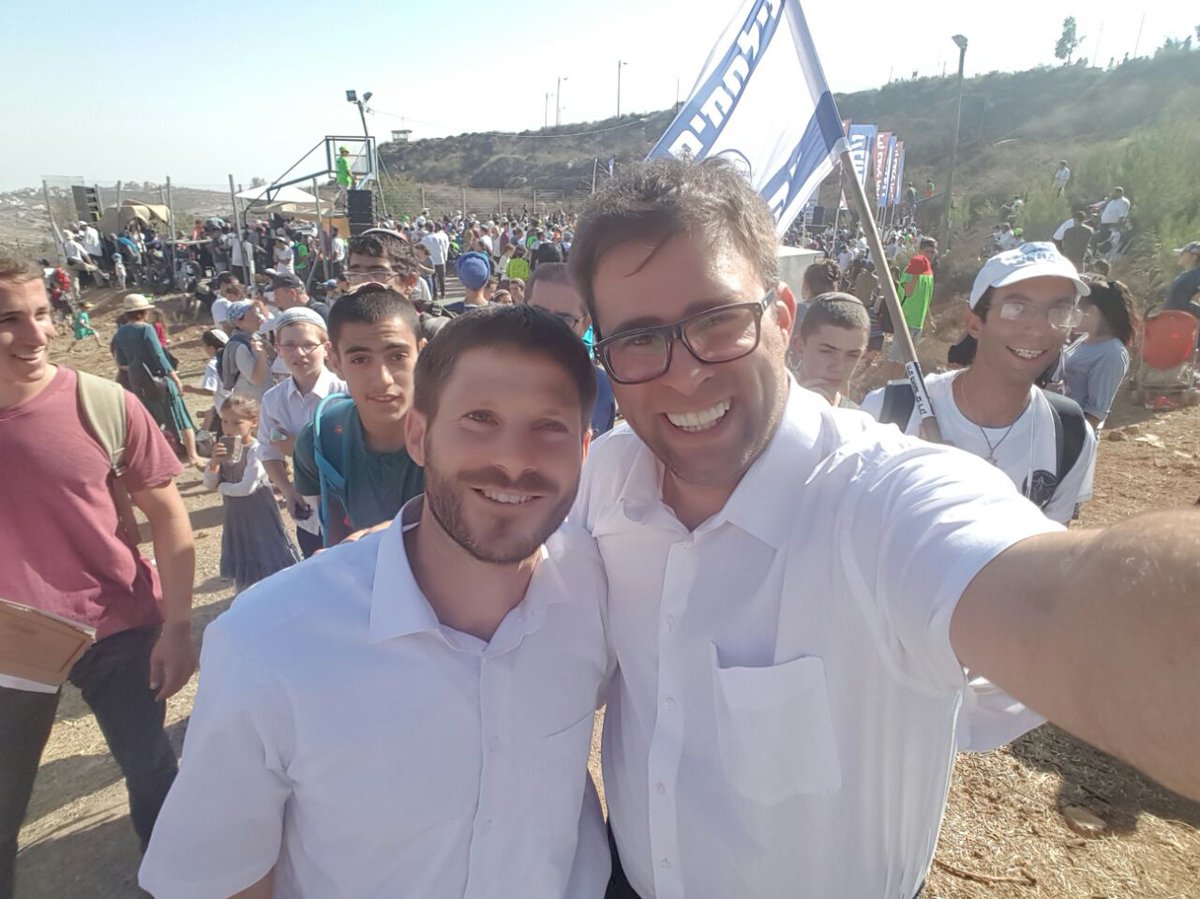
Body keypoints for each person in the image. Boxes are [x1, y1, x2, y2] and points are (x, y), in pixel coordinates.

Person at [567, 158, 1200, 899]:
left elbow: (1066, 604)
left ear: (780, 318)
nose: (683, 373)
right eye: (640, 339)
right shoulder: (609, 479)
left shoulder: (884, 502)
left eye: (717, 321)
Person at [140, 306, 612, 898]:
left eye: (549, 427)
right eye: (479, 418)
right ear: (418, 436)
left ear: (584, 450)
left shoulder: (598, 590)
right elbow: (220, 881)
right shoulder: (270, 642)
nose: (514, 459)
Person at [0, 252, 195, 898]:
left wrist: (177, 626)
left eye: (42, 313)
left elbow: (168, 516)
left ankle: (172, 883)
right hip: (12, 640)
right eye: (9, 319)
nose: (36, 333)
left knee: (152, 771)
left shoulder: (101, 403)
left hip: (116, 624)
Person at [864, 242, 1097, 524]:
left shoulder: (1070, 436)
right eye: (1017, 308)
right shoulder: (890, 414)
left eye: (1059, 312)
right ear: (974, 323)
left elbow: (1048, 541)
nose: (1038, 330)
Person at [293, 287, 426, 546]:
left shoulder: (460, 435)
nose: (383, 379)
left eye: (397, 356)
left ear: (422, 354)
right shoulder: (320, 440)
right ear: (335, 362)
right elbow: (332, 517)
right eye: (360, 360)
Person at [257, 307, 347, 558]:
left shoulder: (346, 391)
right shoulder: (273, 400)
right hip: (308, 514)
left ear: (326, 347)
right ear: (278, 348)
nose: (299, 353)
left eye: (308, 345)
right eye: (289, 345)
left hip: (349, 508)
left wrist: (299, 447)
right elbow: (267, 451)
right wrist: (288, 490)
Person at [203, 394, 301, 591]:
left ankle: (280, 589)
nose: (229, 428)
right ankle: (247, 591)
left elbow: (246, 487)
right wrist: (214, 463)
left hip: (257, 510)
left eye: (237, 423)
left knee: (267, 548)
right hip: (235, 514)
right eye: (225, 421)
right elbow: (208, 483)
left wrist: (221, 488)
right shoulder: (223, 449)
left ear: (253, 422)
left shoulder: (256, 450)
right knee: (243, 550)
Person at [112, 294, 204, 467]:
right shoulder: (146, 329)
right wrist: (175, 379)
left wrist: (138, 369)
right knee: (182, 419)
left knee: (151, 423)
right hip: (160, 382)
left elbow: (121, 363)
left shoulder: (120, 333)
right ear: (144, 312)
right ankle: (193, 456)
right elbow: (159, 356)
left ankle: (155, 459)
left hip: (139, 384)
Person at [525, 261, 616, 436]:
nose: (547, 328)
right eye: (538, 314)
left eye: (563, 320)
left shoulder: (600, 388)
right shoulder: (487, 377)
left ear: (586, 323)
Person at [1063, 276, 1138, 429]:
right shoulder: (1084, 340)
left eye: (1075, 310)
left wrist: (1073, 438)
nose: (1071, 316)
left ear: (1092, 311)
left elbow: (1095, 413)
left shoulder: (1112, 353)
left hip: (1072, 432)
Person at [791, 292, 869, 409]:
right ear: (800, 346)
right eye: (827, 351)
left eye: (853, 355)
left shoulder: (858, 418)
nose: (839, 367)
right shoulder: (767, 412)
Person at [886, 236, 937, 374]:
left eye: (932, 252)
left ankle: (897, 385)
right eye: (927, 251)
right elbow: (908, 292)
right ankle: (886, 385)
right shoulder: (909, 270)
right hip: (905, 320)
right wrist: (916, 273)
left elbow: (926, 300)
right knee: (895, 360)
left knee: (906, 362)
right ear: (919, 251)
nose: (930, 255)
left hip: (918, 324)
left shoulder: (929, 275)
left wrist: (929, 320)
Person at [219, 300, 271, 401]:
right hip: (254, 404)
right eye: (253, 314)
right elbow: (256, 379)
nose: (259, 317)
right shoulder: (238, 347)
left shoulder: (255, 339)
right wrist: (262, 355)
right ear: (239, 322)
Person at [1165, 240, 1200, 314]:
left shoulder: (1195, 277)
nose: (1179, 256)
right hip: (1175, 317)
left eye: (1182, 254)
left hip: (1184, 319)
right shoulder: (1189, 275)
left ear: (1194, 257)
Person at [420, 222, 450, 299]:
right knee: (441, 277)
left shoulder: (425, 239)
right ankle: (443, 293)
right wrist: (444, 258)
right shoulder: (440, 237)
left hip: (431, 260)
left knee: (432, 278)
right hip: (440, 259)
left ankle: (435, 294)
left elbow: (422, 248)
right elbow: (444, 248)